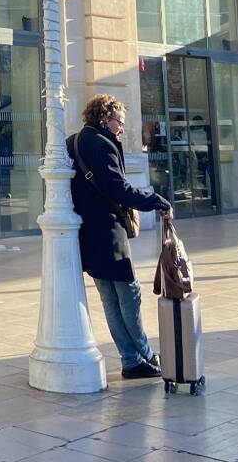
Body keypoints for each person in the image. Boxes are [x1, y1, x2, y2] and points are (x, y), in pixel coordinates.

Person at [67, 94, 171, 380]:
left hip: (87, 231)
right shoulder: (102, 145)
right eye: (119, 122)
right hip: (108, 230)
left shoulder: (72, 141)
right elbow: (119, 189)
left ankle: (130, 358)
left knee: (109, 297)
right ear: (104, 118)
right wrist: (156, 201)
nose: (122, 129)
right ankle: (142, 355)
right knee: (129, 292)